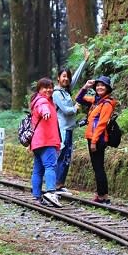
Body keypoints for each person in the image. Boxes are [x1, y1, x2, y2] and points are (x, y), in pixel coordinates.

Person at [52, 48, 90, 195]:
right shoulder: (57, 93)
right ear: (58, 78)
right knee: (62, 156)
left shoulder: (66, 90)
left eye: (67, 77)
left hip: (69, 129)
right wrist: (75, 107)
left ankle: (60, 184)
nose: (66, 79)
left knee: (67, 157)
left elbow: (76, 77)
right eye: (63, 77)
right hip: (62, 129)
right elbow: (67, 110)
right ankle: (56, 185)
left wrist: (85, 61)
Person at [75, 75, 117, 204]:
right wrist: (85, 87)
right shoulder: (96, 101)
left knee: (98, 167)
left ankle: (103, 196)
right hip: (92, 137)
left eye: (102, 85)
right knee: (97, 166)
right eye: (98, 85)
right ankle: (101, 194)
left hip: (98, 139)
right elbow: (79, 99)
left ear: (107, 88)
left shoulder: (107, 103)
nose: (99, 87)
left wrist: (94, 141)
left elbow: (102, 123)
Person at [29, 77, 63, 207]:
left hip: (37, 142)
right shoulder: (42, 101)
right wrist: (46, 113)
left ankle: (37, 196)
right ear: (39, 89)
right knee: (50, 166)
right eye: (45, 87)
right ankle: (51, 193)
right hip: (46, 141)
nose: (48, 90)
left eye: (50, 87)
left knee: (38, 170)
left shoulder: (39, 100)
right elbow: (44, 109)